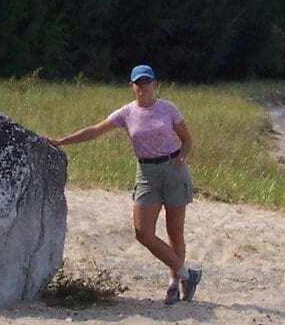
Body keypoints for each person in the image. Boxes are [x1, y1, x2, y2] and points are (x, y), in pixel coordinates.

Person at [45, 64, 202, 305]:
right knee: (143, 232)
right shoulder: (126, 113)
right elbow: (95, 130)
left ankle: (174, 286)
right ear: (132, 86)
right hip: (146, 172)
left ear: (154, 84)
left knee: (175, 231)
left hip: (173, 170)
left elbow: (187, 138)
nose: (142, 87)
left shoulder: (168, 108)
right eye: (138, 83)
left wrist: (181, 159)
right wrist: (61, 141)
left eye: (146, 81)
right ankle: (187, 274)